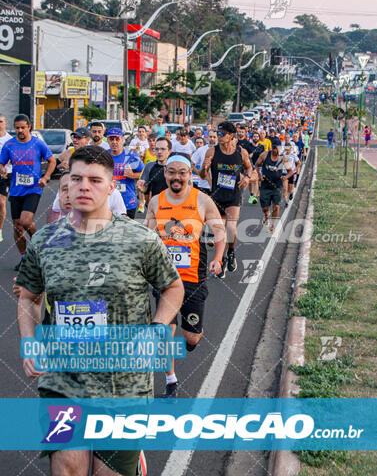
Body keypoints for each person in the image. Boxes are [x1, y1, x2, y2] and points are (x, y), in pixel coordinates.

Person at [16, 145, 184, 476]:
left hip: (123, 384)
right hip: (64, 379)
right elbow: (29, 298)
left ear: (111, 186)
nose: (84, 187)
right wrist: (29, 341)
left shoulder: (140, 240)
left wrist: (156, 327)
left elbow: (172, 287)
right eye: (76, 179)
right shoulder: (46, 240)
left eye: (95, 180)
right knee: (67, 467)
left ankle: (131, 461)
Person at [145, 154, 225, 397]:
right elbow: (146, 238)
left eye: (182, 172)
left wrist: (218, 259)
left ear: (190, 174)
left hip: (193, 279)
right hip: (165, 280)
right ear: (165, 174)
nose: (176, 177)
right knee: (164, 332)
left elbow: (220, 231)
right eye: (172, 171)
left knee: (192, 337)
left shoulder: (201, 200)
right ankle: (171, 380)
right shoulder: (156, 202)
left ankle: (192, 338)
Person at [0, 114, 56, 270]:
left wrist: (45, 177)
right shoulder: (9, 145)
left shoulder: (38, 144)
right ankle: (25, 257)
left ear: (29, 127)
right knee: (17, 226)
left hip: (34, 188)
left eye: (23, 127)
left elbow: (52, 161)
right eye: (17, 128)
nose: (20, 130)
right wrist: (2, 169)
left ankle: (37, 247)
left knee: (25, 221)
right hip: (16, 189)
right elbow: (1, 162)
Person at [200, 121, 256, 274]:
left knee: (231, 229)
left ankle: (231, 252)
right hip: (217, 195)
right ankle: (221, 259)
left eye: (222, 134)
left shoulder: (241, 152)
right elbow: (202, 176)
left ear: (231, 136)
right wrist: (204, 168)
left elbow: (250, 167)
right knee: (220, 232)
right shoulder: (212, 152)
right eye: (217, 134)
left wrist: (247, 177)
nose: (218, 137)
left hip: (233, 195)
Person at [107, 127, 144, 219]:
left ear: (122, 140)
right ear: (108, 140)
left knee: (126, 232)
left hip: (128, 202)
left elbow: (144, 174)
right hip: (109, 202)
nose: (114, 142)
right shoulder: (103, 155)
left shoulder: (131, 156)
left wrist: (133, 175)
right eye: (111, 139)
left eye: (117, 139)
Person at [255, 145, 291, 232]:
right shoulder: (265, 155)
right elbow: (256, 165)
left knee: (276, 206)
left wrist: (285, 177)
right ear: (272, 148)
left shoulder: (283, 158)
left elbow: (290, 171)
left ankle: (273, 225)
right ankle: (266, 214)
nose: (277, 151)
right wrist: (259, 175)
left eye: (279, 149)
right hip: (265, 185)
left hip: (277, 186)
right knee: (265, 208)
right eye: (275, 149)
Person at [136, 137, 172, 202]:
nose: (159, 152)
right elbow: (144, 188)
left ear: (169, 151)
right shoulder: (149, 166)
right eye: (157, 149)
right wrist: (141, 188)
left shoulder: (175, 167)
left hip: (173, 206)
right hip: (155, 206)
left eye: (163, 149)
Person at [0, 113, 12, 242]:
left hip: (6, 174)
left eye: (1, 122)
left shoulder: (10, 140)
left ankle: (0, 230)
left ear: (5, 123)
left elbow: (13, 157)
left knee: (1, 202)